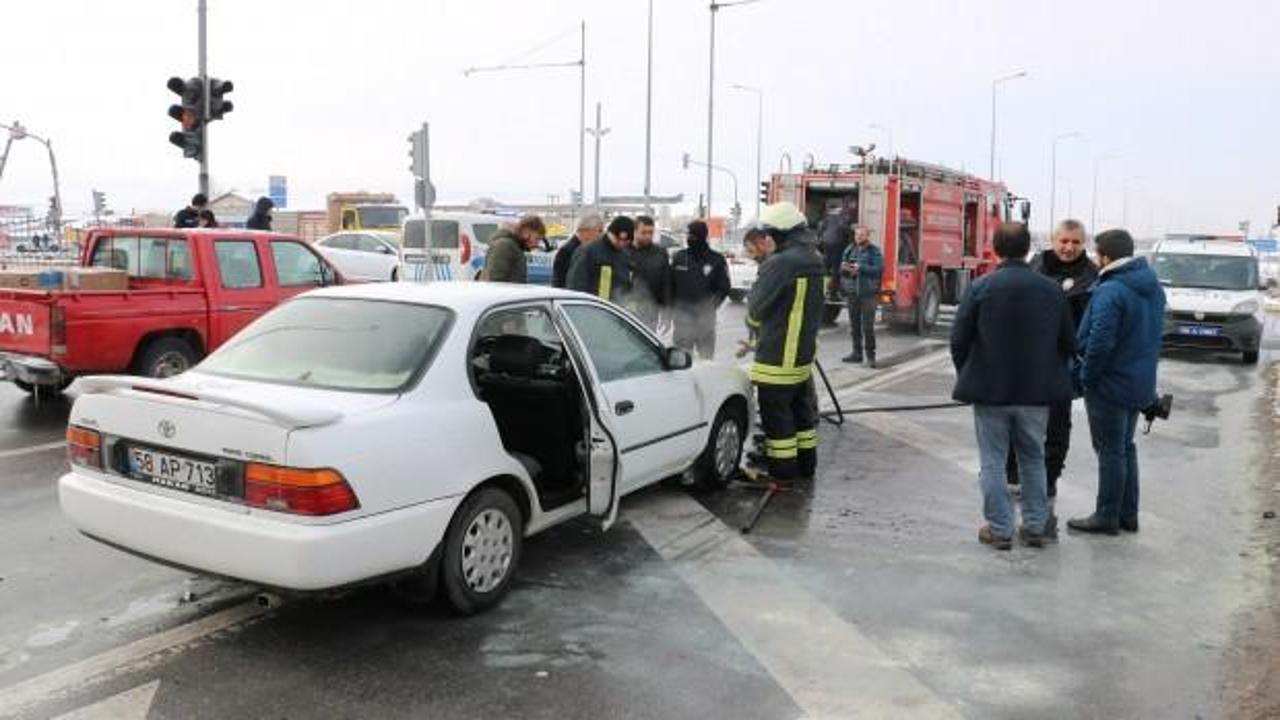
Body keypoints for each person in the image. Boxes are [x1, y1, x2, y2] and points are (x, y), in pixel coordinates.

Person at [950, 222, 1076, 550]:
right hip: (1036, 393)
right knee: (1033, 457)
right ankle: (1034, 526)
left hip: (990, 391)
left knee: (993, 460)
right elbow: (1068, 342)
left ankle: (1000, 529)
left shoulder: (981, 287)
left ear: (995, 249)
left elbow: (959, 340)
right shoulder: (1051, 290)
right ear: (1027, 249)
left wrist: (969, 374)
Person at [1067, 229, 1165, 536]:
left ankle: (1107, 515)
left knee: (1110, 450)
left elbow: (1100, 342)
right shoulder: (1152, 286)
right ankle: (1127, 514)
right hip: (1138, 381)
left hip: (1109, 384)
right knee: (1125, 446)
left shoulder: (1111, 290)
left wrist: (1087, 378)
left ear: (1105, 256)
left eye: (1097, 254)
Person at [1006, 219, 1098, 522]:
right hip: (1027, 360)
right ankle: (1012, 472)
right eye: (1064, 241)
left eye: (1075, 242)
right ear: (1053, 240)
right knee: (1018, 419)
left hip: (1063, 363)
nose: (1069, 247)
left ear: (1084, 243)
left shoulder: (1092, 277)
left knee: (1057, 425)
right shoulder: (1035, 267)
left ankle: (1049, 478)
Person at [741, 202, 826, 483]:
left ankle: (783, 473)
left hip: (777, 360)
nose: (766, 239)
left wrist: (754, 331)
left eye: (768, 234)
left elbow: (755, 310)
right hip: (801, 358)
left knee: (778, 423)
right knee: (802, 418)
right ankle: (806, 466)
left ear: (779, 232)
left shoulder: (780, 263)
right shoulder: (814, 258)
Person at [669, 220, 730, 359]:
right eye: (688, 235)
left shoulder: (717, 259)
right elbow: (670, 285)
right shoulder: (679, 257)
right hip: (682, 320)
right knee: (681, 360)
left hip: (705, 321)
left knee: (706, 360)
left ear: (703, 237)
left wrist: (710, 306)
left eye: (693, 236)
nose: (689, 239)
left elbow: (724, 288)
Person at [839, 225, 884, 367]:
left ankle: (871, 356)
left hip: (868, 294)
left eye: (861, 235)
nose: (858, 237)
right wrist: (845, 269)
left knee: (867, 327)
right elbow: (843, 270)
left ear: (867, 236)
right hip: (852, 293)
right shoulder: (849, 249)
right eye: (856, 235)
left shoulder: (874, 251)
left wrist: (861, 268)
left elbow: (878, 269)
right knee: (854, 326)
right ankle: (856, 354)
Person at [567, 215, 634, 303]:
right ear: (610, 233)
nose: (621, 243)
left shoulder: (625, 255)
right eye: (618, 239)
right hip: (592, 306)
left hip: (614, 307)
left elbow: (626, 284)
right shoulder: (588, 251)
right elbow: (576, 284)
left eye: (626, 241)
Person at [625, 216, 670, 331]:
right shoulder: (623, 251)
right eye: (643, 232)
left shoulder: (660, 253)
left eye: (650, 232)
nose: (647, 236)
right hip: (625, 312)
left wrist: (666, 314)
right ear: (634, 232)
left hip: (651, 314)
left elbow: (666, 285)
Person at [481, 215, 546, 283]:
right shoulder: (505, 246)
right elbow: (495, 280)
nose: (537, 244)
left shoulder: (515, 247)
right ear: (526, 232)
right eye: (537, 239)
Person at [553, 214, 603, 288]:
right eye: (600, 231)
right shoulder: (567, 251)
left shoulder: (588, 249)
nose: (601, 235)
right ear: (586, 230)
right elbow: (559, 282)